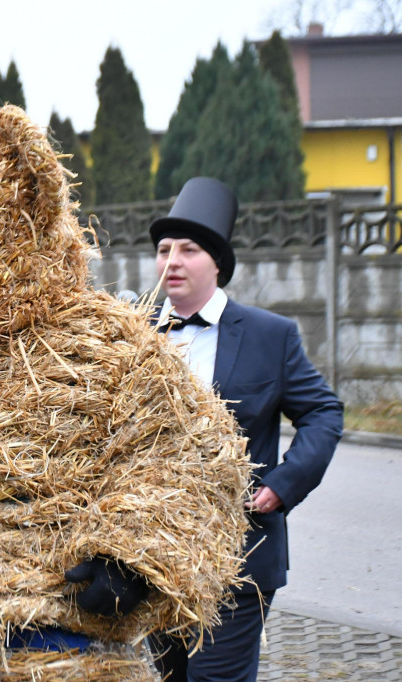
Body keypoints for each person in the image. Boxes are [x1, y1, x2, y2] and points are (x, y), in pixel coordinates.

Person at [146, 176, 343, 681]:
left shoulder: (269, 336)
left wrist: (282, 484)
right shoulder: (128, 330)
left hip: (239, 556)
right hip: (147, 555)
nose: (172, 260)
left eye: (188, 249)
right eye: (165, 249)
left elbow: (323, 412)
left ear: (216, 263)